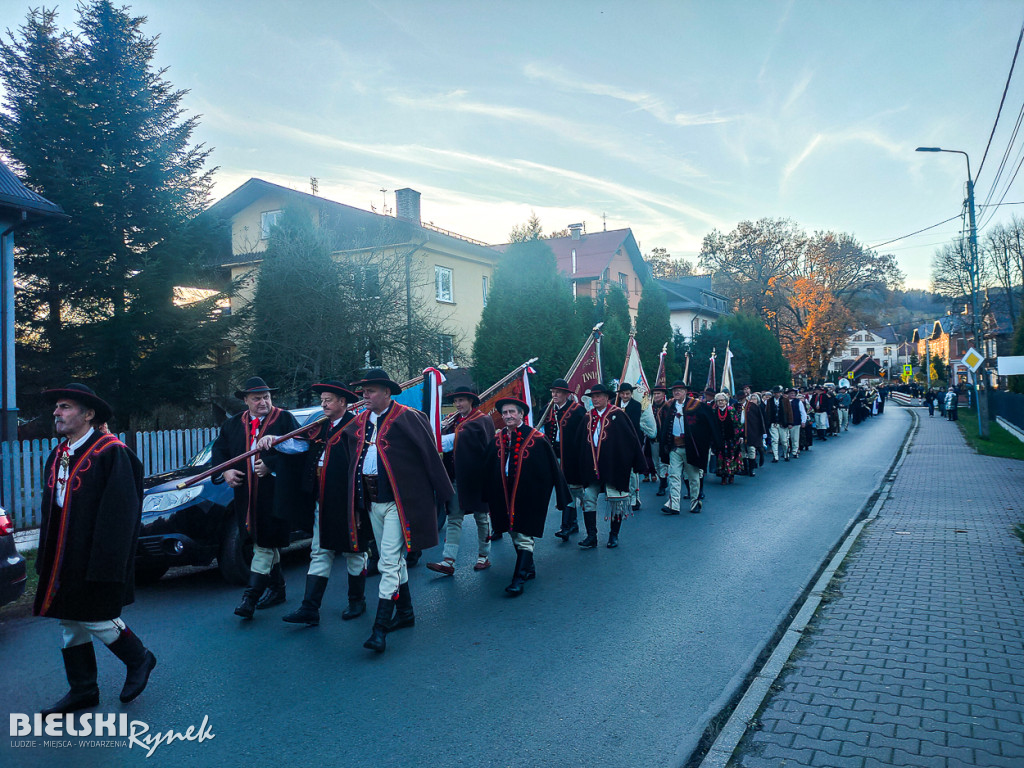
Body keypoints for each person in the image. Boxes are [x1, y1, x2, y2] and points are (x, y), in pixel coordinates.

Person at [35, 384, 155, 714]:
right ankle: (83, 690)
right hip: (62, 555)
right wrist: (46, 557)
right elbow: (52, 508)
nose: (56, 412)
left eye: (65, 406)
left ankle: (139, 657)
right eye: (57, 407)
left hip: (95, 555)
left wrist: (105, 565)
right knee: (69, 622)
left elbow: (121, 514)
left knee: (96, 616)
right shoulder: (58, 454)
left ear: (89, 414)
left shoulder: (111, 453)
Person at [342, 369, 454, 654]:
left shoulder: (408, 417)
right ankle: (405, 614)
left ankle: (379, 629)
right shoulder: (360, 422)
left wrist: (447, 496)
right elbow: (342, 445)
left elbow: (430, 457)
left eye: (371, 391)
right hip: (372, 501)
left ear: (387, 392)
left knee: (388, 561)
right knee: (395, 561)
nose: (365, 396)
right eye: (363, 391)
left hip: (399, 502)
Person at [213, 377, 308, 620]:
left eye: (266, 397)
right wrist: (226, 471)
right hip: (245, 497)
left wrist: (271, 463)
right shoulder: (233, 424)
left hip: (274, 495)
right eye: (256, 398)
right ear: (245, 401)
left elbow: (301, 450)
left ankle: (250, 598)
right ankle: (278, 589)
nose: (263, 402)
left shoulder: (285, 419)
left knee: (265, 544)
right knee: (262, 541)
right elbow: (220, 452)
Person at [282, 381, 364, 627]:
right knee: (319, 551)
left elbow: (360, 469)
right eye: (323, 400)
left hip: (347, 501)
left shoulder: (357, 428)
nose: (323, 404)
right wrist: (272, 441)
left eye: (328, 400)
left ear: (342, 402)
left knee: (354, 551)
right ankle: (310, 608)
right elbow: (298, 448)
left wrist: (360, 507)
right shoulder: (320, 428)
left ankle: (357, 601)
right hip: (322, 500)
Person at [483, 398, 571, 596]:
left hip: (528, 494)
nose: (508, 416)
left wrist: (559, 495)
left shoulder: (537, 439)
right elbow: (487, 467)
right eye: (504, 413)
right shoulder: (498, 439)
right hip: (504, 494)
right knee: (514, 532)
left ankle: (518, 578)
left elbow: (551, 469)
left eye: (511, 412)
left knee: (523, 534)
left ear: (521, 414)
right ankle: (529, 568)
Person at [427, 386, 495, 576]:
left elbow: (482, 445)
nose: (458, 404)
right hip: (456, 477)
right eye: (456, 401)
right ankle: (448, 560)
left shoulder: (483, 420)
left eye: (462, 400)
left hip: (476, 477)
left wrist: (448, 438)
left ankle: (484, 556)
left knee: (481, 516)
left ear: (471, 401)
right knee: (454, 517)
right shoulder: (454, 420)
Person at [576, 383, 646, 548]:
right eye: (593, 397)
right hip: (591, 467)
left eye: (599, 396)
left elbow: (630, 439)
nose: (596, 399)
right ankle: (591, 536)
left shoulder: (618, 415)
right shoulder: (587, 416)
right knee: (588, 498)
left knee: (616, 500)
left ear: (607, 398)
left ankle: (613, 535)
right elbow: (579, 442)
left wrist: (635, 462)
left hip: (614, 466)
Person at [659, 381, 721, 514]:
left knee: (693, 477)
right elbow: (663, 425)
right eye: (675, 390)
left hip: (691, 448)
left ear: (685, 391)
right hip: (674, 447)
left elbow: (709, 423)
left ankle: (695, 502)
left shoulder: (697, 406)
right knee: (674, 476)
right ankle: (674, 505)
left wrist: (714, 443)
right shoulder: (668, 406)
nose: (677, 392)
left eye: (680, 390)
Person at [543, 378, 587, 541]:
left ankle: (570, 524)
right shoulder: (547, 411)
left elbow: (583, 436)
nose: (554, 395)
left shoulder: (577, 411)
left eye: (558, 392)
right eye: (553, 392)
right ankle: (570, 524)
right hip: (555, 457)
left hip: (572, 457)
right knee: (565, 490)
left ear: (566, 394)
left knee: (574, 490)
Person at [617, 383, 645, 512]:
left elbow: (634, 424)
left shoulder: (636, 405)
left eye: (627, 393)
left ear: (631, 393)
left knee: (633, 472)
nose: (625, 396)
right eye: (622, 393)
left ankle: (635, 497)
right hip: (617, 443)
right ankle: (623, 495)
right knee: (620, 470)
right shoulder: (614, 404)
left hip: (632, 441)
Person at [713, 392, 744, 484]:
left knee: (732, 457)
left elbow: (738, 424)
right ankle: (723, 476)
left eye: (722, 400)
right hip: (719, 439)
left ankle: (731, 475)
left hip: (731, 439)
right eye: (718, 401)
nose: (720, 402)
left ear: (726, 401)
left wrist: (740, 436)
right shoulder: (714, 411)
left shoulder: (731, 410)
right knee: (721, 457)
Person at [649, 387, 671, 495]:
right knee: (655, 463)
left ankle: (662, 484)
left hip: (664, 439)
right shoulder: (650, 408)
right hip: (653, 439)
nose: (656, 396)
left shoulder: (668, 407)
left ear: (663, 395)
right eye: (655, 394)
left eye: (658, 393)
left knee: (663, 463)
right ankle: (662, 479)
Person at [740, 391, 766, 477]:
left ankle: (751, 469)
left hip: (752, 431)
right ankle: (745, 468)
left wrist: (762, 431)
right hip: (740, 432)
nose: (740, 400)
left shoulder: (753, 406)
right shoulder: (736, 407)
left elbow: (760, 419)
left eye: (742, 398)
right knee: (742, 449)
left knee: (751, 449)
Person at [764, 386, 793, 463]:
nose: (777, 394)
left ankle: (786, 454)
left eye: (778, 392)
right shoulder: (770, 401)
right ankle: (775, 457)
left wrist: (790, 422)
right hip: (773, 423)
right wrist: (768, 423)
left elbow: (789, 412)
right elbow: (767, 412)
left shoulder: (785, 400)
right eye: (775, 393)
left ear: (781, 393)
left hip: (783, 423)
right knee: (774, 440)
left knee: (784, 441)